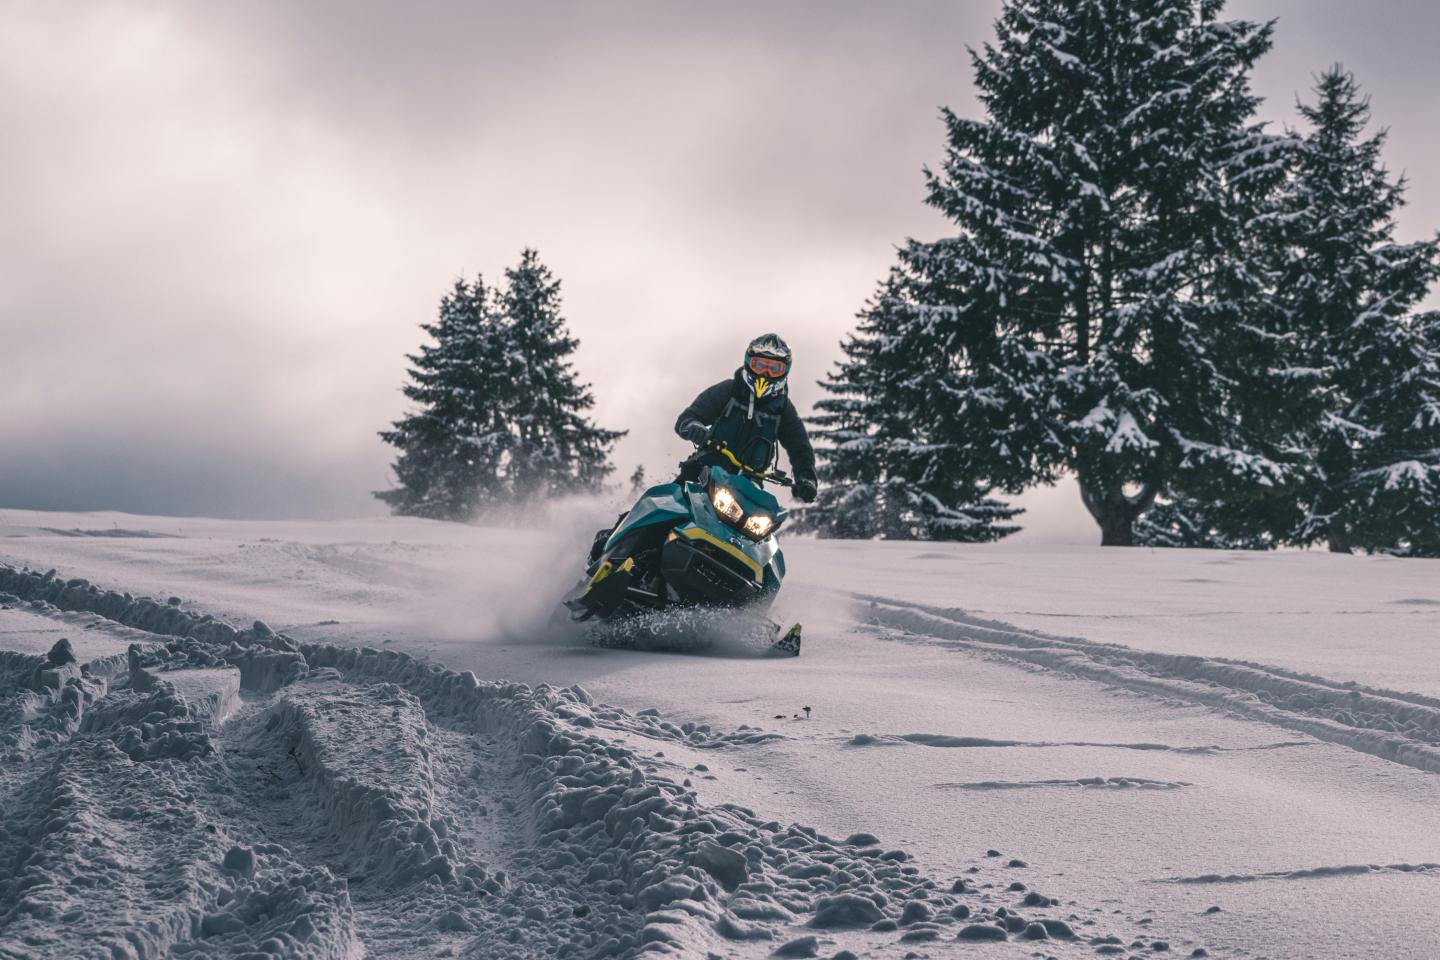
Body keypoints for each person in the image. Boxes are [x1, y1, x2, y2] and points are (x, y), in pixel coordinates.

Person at [674, 333, 818, 503]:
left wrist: (806, 479)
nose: (765, 374)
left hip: (748, 486)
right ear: (748, 362)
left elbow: (800, 448)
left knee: (760, 524)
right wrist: (694, 428)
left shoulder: (783, 409)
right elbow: (688, 417)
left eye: (774, 368)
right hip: (704, 470)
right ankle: (642, 527)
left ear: (784, 371)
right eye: (759, 365)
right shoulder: (729, 391)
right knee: (669, 507)